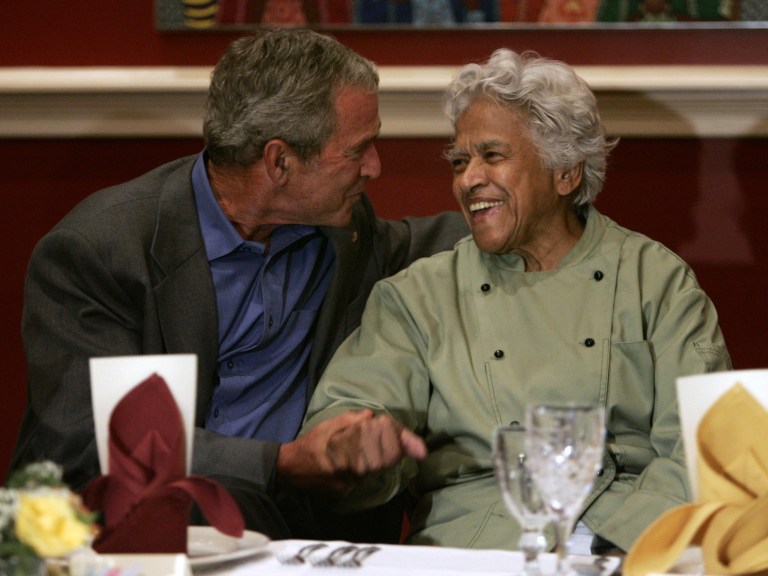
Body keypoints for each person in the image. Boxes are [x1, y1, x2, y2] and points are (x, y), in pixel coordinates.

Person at [10, 29, 466, 540]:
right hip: (129, 526)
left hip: (299, 533)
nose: (375, 167)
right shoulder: (99, 252)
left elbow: (421, 243)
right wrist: (281, 462)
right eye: (358, 149)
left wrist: (541, 207)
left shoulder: (342, 230)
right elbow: (91, 443)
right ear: (280, 162)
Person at [288, 48, 732, 553]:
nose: (467, 178)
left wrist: (622, 544)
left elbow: (704, 446)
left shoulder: (655, 280)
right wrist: (350, 446)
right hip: (472, 543)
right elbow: (350, 413)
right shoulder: (418, 296)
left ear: (565, 172)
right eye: (459, 160)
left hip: (624, 541)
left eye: (491, 156)